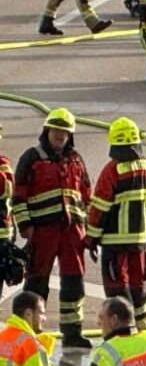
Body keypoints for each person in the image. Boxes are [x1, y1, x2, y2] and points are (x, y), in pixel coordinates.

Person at [12, 110, 91, 348]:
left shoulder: (76, 159)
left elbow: (86, 194)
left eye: (64, 132)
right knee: (37, 282)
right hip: (43, 232)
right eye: (55, 130)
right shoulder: (32, 158)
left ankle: (72, 332)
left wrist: (86, 229)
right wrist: (27, 228)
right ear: (47, 131)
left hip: (71, 232)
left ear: (70, 134)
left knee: (74, 281)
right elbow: (19, 196)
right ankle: (29, 333)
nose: (59, 135)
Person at [87, 119, 146, 329]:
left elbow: (99, 208)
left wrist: (91, 238)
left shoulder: (113, 170)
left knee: (117, 290)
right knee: (137, 287)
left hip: (114, 243)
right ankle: (144, 329)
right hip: (138, 242)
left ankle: (123, 332)